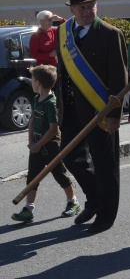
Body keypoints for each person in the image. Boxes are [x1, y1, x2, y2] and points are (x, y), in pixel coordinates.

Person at [56, 0, 128, 234]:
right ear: (72, 9)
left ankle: (106, 215)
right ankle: (94, 198)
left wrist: (114, 115)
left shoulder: (110, 34)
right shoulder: (63, 33)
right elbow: (63, 74)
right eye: (82, 7)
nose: (88, 11)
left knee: (105, 164)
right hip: (71, 111)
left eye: (91, 6)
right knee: (70, 157)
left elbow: (120, 79)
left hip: (100, 110)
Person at [11, 65, 81, 223]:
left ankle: (73, 202)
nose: (31, 83)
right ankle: (29, 209)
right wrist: (31, 142)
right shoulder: (37, 99)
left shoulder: (50, 103)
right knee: (32, 178)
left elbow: (53, 129)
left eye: (33, 80)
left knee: (59, 175)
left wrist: (39, 144)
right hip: (36, 145)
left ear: (38, 82)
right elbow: (31, 121)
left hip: (50, 146)